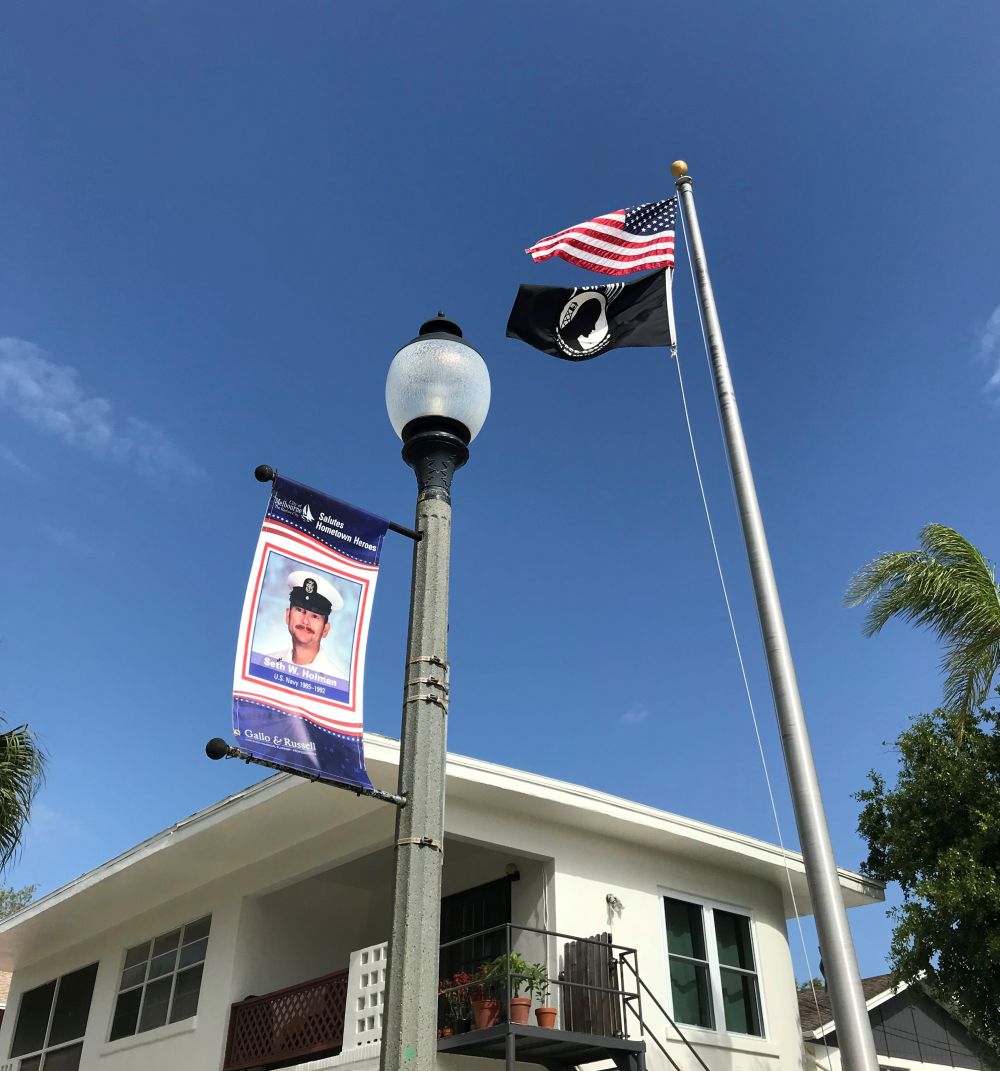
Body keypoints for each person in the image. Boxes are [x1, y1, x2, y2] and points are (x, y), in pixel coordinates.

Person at [266, 570, 349, 679]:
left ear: (325, 629)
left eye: (315, 616)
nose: (305, 621)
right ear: (288, 615)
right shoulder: (266, 665)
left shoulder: (338, 682)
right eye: (300, 610)